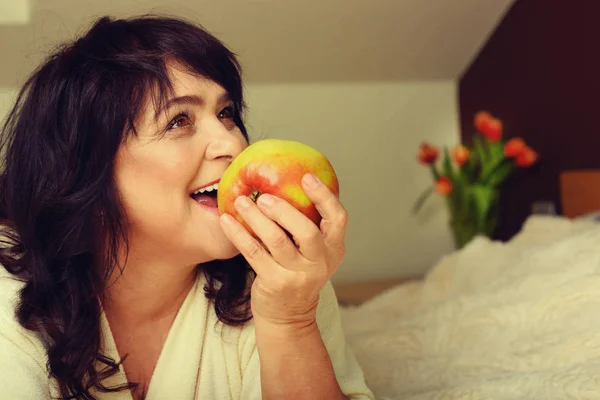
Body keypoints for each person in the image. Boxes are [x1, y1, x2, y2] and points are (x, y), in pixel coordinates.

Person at [0, 14, 374, 400]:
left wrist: (290, 320)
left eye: (226, 114)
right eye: (179, 120)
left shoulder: (287, 278)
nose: (231, 144)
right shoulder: (8, 295)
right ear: (85, 172)